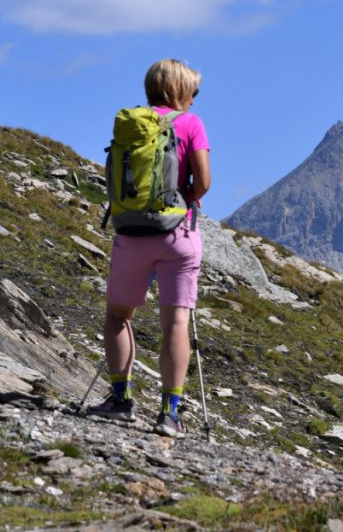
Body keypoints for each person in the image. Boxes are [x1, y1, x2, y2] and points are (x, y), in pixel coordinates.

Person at [89, 59, 211, 438]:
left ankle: (121, 401)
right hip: (177, 235)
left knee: (118, 316)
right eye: (192, 90)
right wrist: (186, 198)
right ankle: (169, 414)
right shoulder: (190, 124)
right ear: (180, 91)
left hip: (131, 234)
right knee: (175, 323)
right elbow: (204, 181)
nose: (193, 98)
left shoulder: (130, 122)